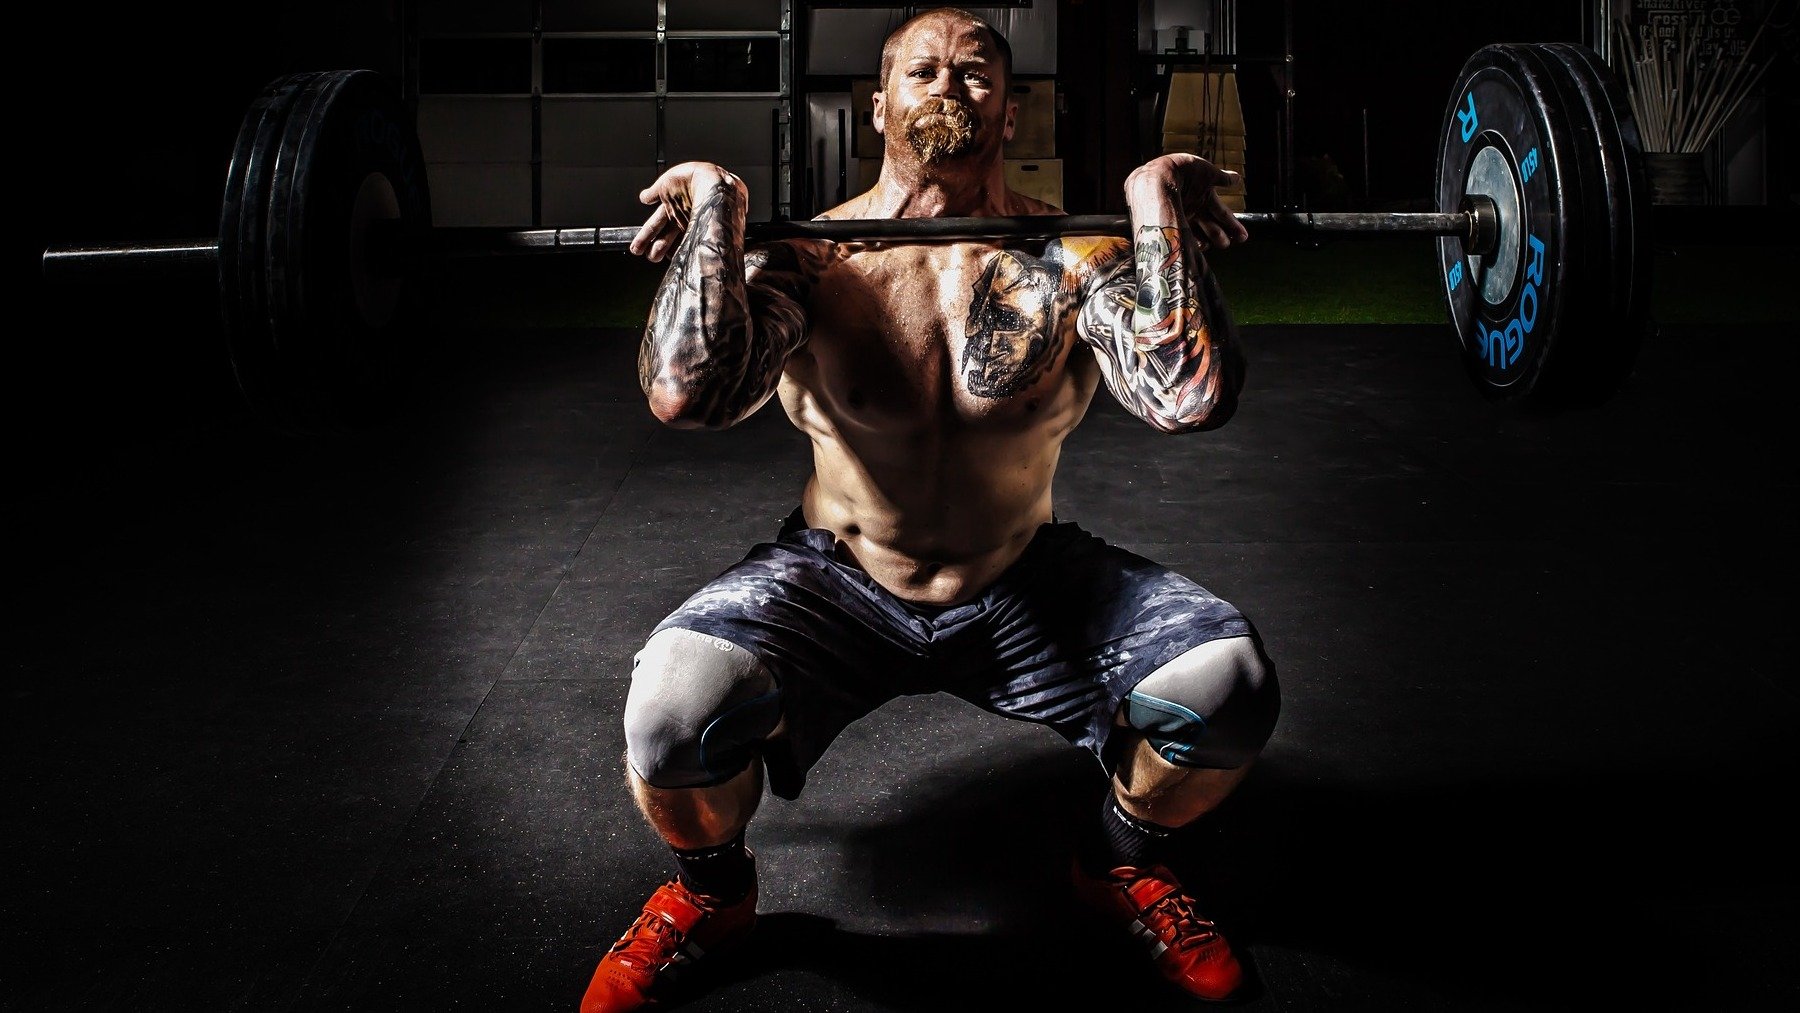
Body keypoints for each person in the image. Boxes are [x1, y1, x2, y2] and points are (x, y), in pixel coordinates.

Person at [581, 8, 1278, 1010]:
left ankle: (1122, 859)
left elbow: (1188, 395)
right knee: (668, 712)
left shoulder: (1070, 251)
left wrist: (1151, 201)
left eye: (976, 72)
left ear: (1011, 105)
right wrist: (718, 210)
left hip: (1023, 573)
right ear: (880, 105)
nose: (948, 86)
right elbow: (688, 391)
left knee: (1230, 682)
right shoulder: (813, 261)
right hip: (838, 578)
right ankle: (712, 893)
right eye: (923, 70)